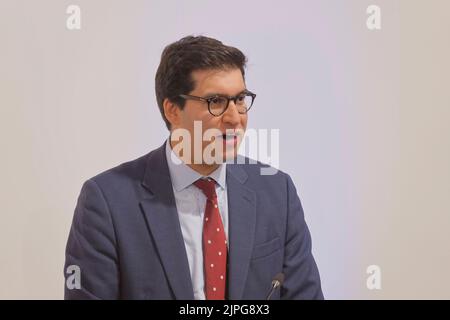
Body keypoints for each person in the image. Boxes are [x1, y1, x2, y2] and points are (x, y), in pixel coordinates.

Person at [64, 35, 323, 300]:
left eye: (240, 99)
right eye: (216, 102)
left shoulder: (278, 192)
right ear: (172, 110)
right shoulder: (106, 202)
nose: (235, 118)